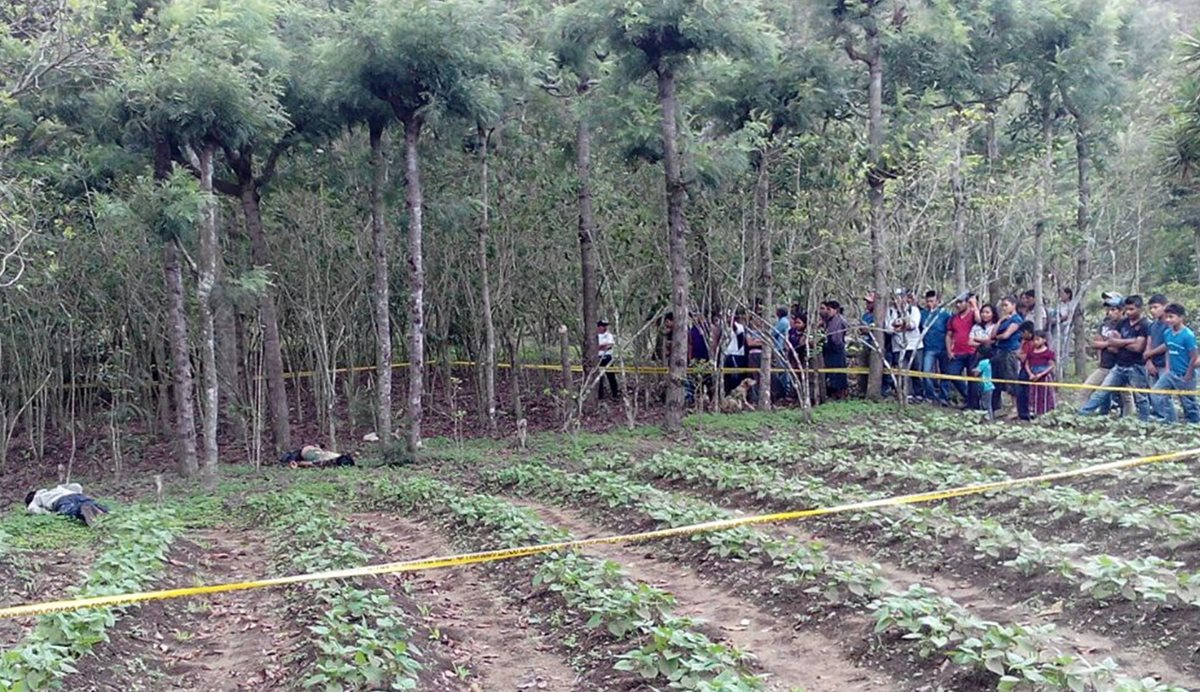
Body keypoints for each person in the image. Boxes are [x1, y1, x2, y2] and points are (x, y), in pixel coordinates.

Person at [1079, 295, 1151, 421]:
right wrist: (1130, 341)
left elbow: (1138, 347)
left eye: (1132, 309)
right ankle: (1081, 415)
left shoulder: (1145, 325)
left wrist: (1121, 342)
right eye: (1127, 309)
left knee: (1140, 397)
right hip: (1119, 365)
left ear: (1140, 309)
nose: (1128, 312)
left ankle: (1143, 422)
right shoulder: (1122, 323)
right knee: (1101, 392)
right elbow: (1113, 344)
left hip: (1136, 366)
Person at [1080, 293, 1131, 416]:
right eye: (1108, 309)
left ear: (1121, 310)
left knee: (1126, 396)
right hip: (1105, 365)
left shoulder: (1126, 325)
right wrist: (1109, 343)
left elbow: (1118, 348)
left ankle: (1129, 419)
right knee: (1087, 389)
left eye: (1113, 309)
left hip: (1120, 365)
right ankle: (1088, 415)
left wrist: (1108, 343)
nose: (1109, 312)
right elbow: (1095, 343)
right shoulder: (1105, 324)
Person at [1150, 303, 1200, 424]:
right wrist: (1168, 368)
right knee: (1157, 393)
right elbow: (1168, 350)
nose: (1168, 320)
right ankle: (1170, 420)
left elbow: (1194, 357)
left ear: (1180, 317)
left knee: (1188, 402)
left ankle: (1194, 425)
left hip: (1185, 373)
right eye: (1167, 317)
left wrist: (1188, 374)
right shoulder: (1167, 333)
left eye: (1171, 317)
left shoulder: (1188, 335)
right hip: (1171, 372)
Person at [946, 293, 981, 409]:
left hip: (972, 352)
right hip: (957, 352)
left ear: (967, 303)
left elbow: (979, 320)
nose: (958, 305)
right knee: (952, 374)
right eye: (957, 302)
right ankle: (967, 396)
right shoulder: (953, 318)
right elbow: (949, 335)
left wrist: (974, 305)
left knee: (973, 379)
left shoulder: (972, 315)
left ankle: (973, 404)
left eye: (961, 302)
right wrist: (949, 351)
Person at [991, 297, 1024, 417]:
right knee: (999, 379)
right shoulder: (1004, 320)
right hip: (1000, 351)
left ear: (1013, 305)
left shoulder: (1016, 319)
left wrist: (997, 337)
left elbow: (1006, 335)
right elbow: (993, 334)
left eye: (1006, 305)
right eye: (1003, 306)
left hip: (1010, 351)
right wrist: (1000, 321)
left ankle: (1015, 407)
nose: (1004, 308)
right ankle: (1001, 407)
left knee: (1011, 378)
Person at [886, 289, 922, 400]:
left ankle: (919, 394)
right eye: (895, 297)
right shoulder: (890, 312)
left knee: (916, 371)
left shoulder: (913, 310)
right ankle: (907, 394)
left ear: (905, 297)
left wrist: (901, 324)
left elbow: (913, 325)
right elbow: (888, 328)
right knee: (902, 372)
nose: (897, 300)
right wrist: (897, 327)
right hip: (898, 346)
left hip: (914, 345)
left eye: (900, 297)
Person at [920, 290, 952, 405]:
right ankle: (931, 396)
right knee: (926, 372)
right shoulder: (923, 314)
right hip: (929, 348)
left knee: (945, 373)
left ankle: (944, 396)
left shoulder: (945, 314)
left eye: (932, 301)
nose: (930, 303)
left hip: (943, 348)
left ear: (937, 301)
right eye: (928, 301)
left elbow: (950, 331)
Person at [25, 483, 108, 527]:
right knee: (90, 502)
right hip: (75, 495)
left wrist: (49, 514)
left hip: (61, 500)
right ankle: (105, 513)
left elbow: (32, 509)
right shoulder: (55, 489)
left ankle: (83, 510)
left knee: (69, 513)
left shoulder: (37, 498)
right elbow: (77, 486)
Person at [819, 300, 850, 400]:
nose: (827, 311)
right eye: (826, 309)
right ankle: (832, 391)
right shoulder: (828, 321)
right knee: (830, 371)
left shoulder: (840, 320)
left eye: (829, 309)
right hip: (829, 348)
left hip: (837, 348)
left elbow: (845, 329)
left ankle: (841, 392)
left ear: (835, 310)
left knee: (839, 371)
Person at [1025, 330, 1057, 417]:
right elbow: (1027, 364)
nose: (1035, 342)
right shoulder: (1031, 352)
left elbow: (1051, 365)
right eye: (1034, 340)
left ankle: (1047, 413)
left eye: (1038, 339)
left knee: (1045, 394)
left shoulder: (1049, 353)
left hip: (1044, 376)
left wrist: (1041, 374)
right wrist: (1030, 374)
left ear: (1044, 340)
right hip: (1033, 376)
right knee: (1033, 394)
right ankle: (1034, 412)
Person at [1144, 295, 1169, 384]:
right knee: (1154, 395)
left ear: (1165, 306)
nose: (1152, 310)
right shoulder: (1152, 325)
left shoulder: (1170, 324)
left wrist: (1151, 353)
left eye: (1155, 307)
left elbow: (1168, 344)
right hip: (1153, 365)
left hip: (1165, 365)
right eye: (1150, 308)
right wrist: (1148, 361)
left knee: (1164, 394)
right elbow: (1148, 344)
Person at [1014, 321, 1037, 420]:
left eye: (1022, 333)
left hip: (1031, 369)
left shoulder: (1032, 343)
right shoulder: (1024, 342)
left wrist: (1018, 354)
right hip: (1023, 368)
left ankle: (1028, 413)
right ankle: (1022, 413)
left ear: (1027, 332)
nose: (1021, 335)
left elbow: (1023, 357)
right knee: (1021, 392)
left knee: (1028, 392)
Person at [723, 308, 748, 395]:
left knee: (736, 376)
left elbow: (737, 332)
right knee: (726, 376)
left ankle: (736, 394)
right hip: (726, 354)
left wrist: (731, 322)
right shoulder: (723, 327)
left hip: (736, 354)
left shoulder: (740, 327)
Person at [596, 319, 619, 400]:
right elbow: (593, 347)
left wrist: (600, 347)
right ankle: (600, 396)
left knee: (611, 376)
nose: (605, 327)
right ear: (598, 327)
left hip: (607, 358)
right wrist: (600, 347)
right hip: (598, 358)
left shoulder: (609, 335)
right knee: (599, 378)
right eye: (603, 326)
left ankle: (615, 394)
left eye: (605, 326)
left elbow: (609, 346)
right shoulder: (594, 336)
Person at [280, 445, 356, 468]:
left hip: (310, 453)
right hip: (312, 453)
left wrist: (298, 464)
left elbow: (310, 463)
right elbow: (311, 463)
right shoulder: (330, 459)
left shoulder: (331, 458)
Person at [974, 345, 996, 421]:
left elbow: (976, 373)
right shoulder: (988, 361)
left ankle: (988, 419)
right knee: (987, 404)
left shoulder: (983, 362)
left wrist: (973, 370)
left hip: (985, 386)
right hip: (989, 386)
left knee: (985, 404)